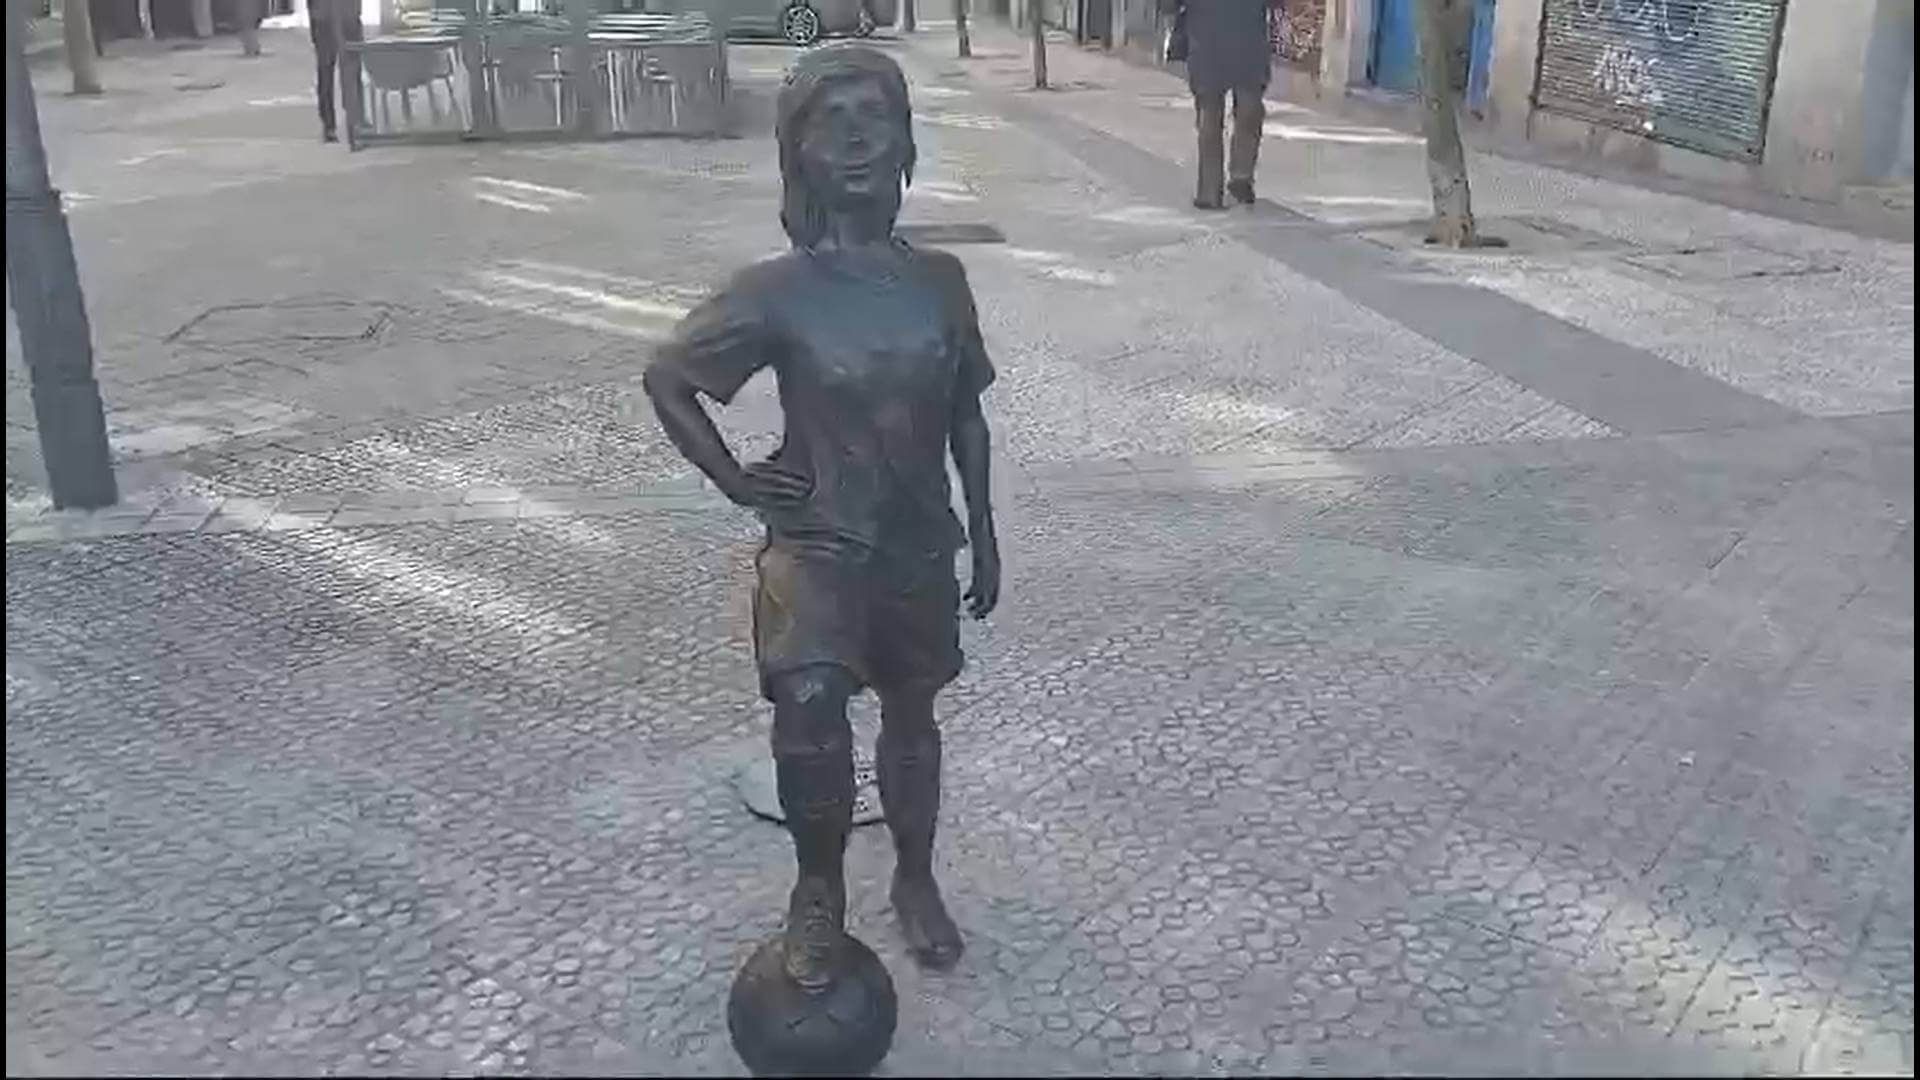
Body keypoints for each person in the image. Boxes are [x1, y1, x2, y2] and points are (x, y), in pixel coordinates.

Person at [644, 45, 1001, 987]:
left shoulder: (941, 282)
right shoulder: (774, 290)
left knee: (913, 714)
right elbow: (670, 377)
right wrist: (733, 480)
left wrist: (987, 531)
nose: (853, 134)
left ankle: (916, 880)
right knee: (809, 706)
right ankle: (818, 892)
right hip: (816, 542)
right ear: (796, 151)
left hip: (916, 541)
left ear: (905, 140)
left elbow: (966, 410)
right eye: (827, 118)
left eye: (872, 113)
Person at [1162, 0, 1277, 209]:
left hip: (1220, 46)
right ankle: (1226, 184)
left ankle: (1224, 185)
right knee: (1231, 118)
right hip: (1234, 45)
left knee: (1227, 117)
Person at [309, 0, 363, 143]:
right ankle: (355, 117)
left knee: (327, 71)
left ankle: (330, 124)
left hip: (326, 16)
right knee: (350, 69)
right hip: (343, 16)